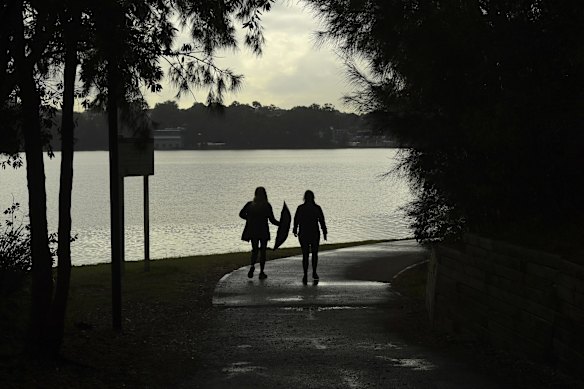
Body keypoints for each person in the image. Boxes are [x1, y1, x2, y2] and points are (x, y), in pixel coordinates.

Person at [239, 186, 280, 279]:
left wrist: (249, 219)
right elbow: (272, 220)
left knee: (254, 250)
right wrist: (281, 224)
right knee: (263, 251)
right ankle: (261, 272)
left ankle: (252, 266)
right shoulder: (267, 206)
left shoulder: (250, 205)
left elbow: (241, 214)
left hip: (253, 230)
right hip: (263, 230)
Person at [293, 190, 327, 284]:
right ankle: (314, 272)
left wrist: (295, 229)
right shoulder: (317, 208)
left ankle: (305, 274)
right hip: (314, 233)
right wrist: (324, 232)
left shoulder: (300, 208)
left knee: (305, 254)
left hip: (303, 233)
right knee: (314, 254)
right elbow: (321, 220)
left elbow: (296, 220)